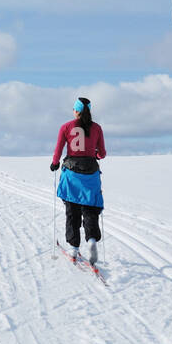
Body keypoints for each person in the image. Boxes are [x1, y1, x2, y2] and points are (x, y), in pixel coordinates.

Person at [50, 96, 105, 264]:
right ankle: (91, 240)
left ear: (76, 111)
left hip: (72, 174)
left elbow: (58, 149)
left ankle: (73, 248)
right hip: (91, 174)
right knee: (90, 209)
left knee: (72, 210)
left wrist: (54, 164)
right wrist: (94, 154)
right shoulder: (97, 128)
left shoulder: (66, 127)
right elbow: (102, 153)